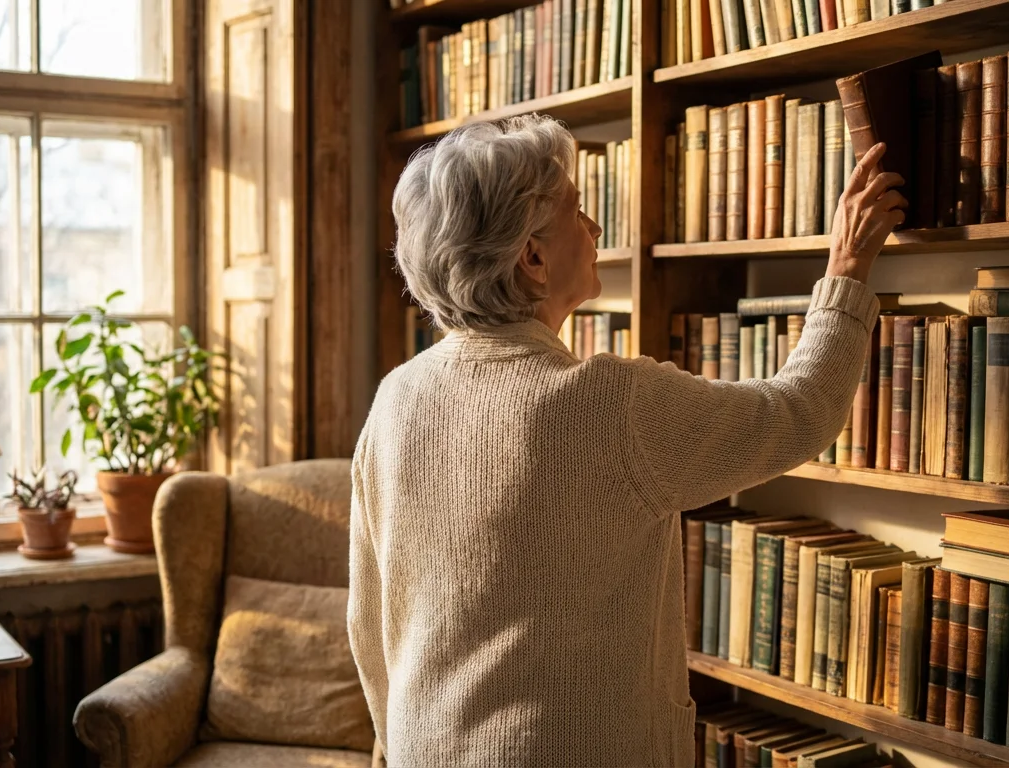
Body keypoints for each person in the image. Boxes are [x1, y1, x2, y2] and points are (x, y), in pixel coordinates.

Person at [348, 114, 905, 767]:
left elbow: (369, 621)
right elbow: (801, 410)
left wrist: (396, 746)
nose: (595, 229)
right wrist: (847, 264)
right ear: (532, 257)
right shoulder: (609, 404)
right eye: (578, 211)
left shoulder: (396, 399)